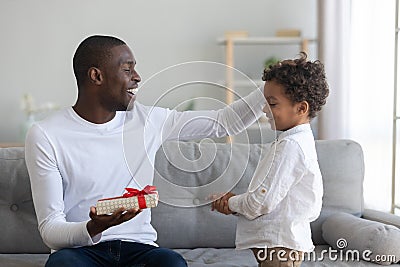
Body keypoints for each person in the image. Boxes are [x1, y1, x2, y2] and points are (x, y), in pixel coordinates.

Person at [24, 35, 266, 267]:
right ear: (96, 76)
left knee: (171, 262)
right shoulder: (46, 134)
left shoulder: (148, 121)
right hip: (79, 252)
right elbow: (51, 230)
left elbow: (224, 122)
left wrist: (272, 86)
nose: (137, 77)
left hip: (137, 248)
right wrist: (93, 227)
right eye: (127, 69)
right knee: (62, 264)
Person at [211, 52, 329, 267]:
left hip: (280, 248)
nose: (264, 109)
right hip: (277, 245)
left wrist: (230, 203)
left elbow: (260, 203)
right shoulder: (293, 141)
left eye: (272, 104)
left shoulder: (291, 146)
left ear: (301, 108)